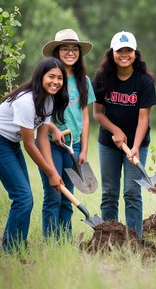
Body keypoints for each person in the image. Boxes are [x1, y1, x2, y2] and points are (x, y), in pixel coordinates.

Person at [0, 57, 68, 253]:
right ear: (40, 77)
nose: (56, 81)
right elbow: (30, 145)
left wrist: (53, 170)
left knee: (24, 197)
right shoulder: (26, 102)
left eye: (60, 78)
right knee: (23, 197)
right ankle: (13, 249)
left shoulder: (48, 100)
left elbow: (43, 139)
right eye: (51, 76)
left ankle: (15, 246)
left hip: (11, 143)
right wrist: (51, 174)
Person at [92, 31, 156, 240]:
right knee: (109, 192)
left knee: (132, 191)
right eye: (120, 50)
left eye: (128, 50)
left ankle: (134, 239)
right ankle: (108, 238)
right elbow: (98, 114)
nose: (124, 54)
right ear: (112, 53)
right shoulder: (102, 78)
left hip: (137, 143)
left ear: (135, 53)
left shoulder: (144, 81)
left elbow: (143, 119)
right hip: (109, 143)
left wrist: (136, 146)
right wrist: (116, 130)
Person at [41, 29, 96, 239]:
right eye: (65, 48)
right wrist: (54, 129)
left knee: (68, 197)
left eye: (74, 49)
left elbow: (85, 118)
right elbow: (39, 113)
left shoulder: (84, 81)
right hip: (50, 143)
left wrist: (84, 149)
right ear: (57, 51)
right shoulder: (51, 78)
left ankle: (64, 240)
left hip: (73, 146)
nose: (70, 52)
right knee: (54, 194)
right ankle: (50, 241)